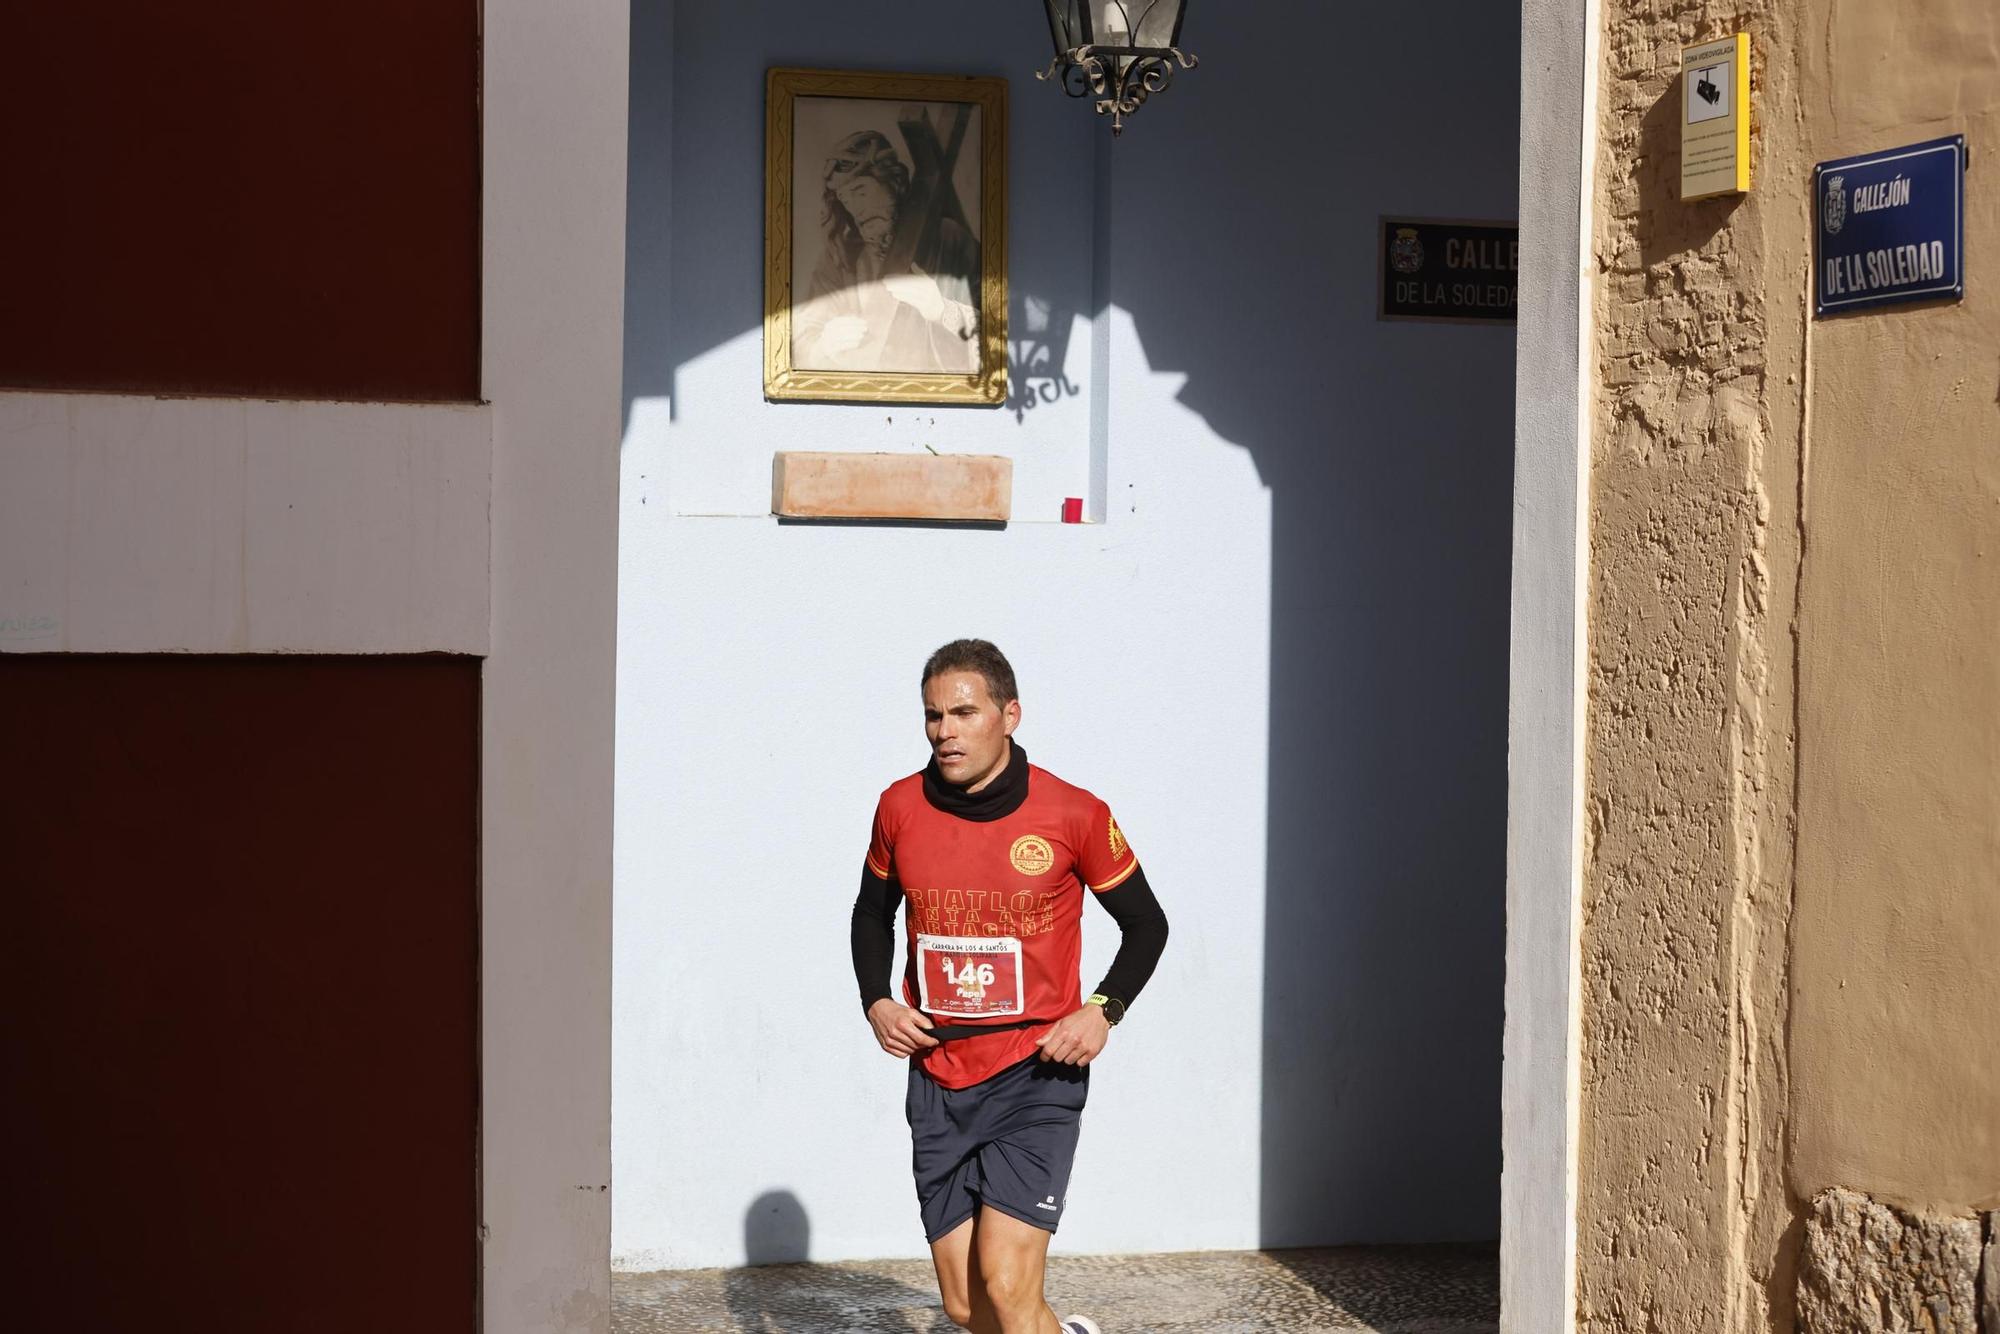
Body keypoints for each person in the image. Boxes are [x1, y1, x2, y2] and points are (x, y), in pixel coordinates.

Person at [851, 640, 1170, 1334]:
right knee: (969, 1306)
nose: (946, 731)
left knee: (1007, 1283)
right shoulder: (899, 807)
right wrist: (877, 998)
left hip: (1036, 1073)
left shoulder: (1074, 813)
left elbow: (1146, 925)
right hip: (938, 1074)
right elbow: (872, 913)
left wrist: (1102, 1012)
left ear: (1010, 714)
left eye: (964, 712)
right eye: (934, 716)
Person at [795, 128, 981, 374]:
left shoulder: (948, 237)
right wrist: (824, 344)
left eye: (861, 191)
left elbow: (999, 330)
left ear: (891, 182)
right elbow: (803, 338)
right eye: (846, 200)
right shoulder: (840, 257)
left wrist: (941, 310)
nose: (856, 209)